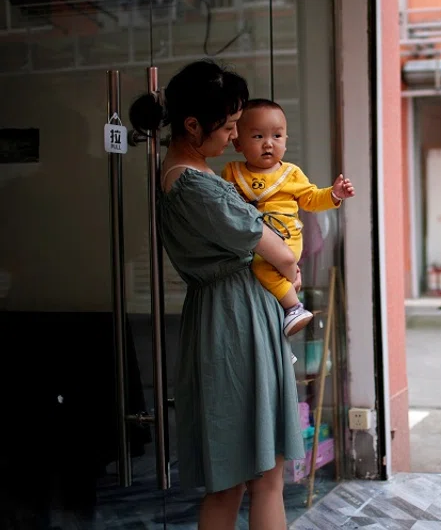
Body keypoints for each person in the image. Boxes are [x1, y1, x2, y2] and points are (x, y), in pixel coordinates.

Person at [130, 60, 304, 530]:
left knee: (228, 478)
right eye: (228, 126)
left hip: (224, 315)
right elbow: (280, 255)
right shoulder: (196, 184)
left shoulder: (183, 177)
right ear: (192, 125)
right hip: (236, 320)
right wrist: (289, 267)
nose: (234, 136)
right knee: (263, 475)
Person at [222, 98, 355, 349]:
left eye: (277, 136)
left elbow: (311, 199)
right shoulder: (233, 171)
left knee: (263, 269)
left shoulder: (290, 173)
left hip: (284, 238)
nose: (268, 143)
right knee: (254, 276)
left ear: (285, 140)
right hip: (251, 239)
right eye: (258, 136)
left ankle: (293, 307)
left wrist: (334, 194)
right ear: (238, 142)